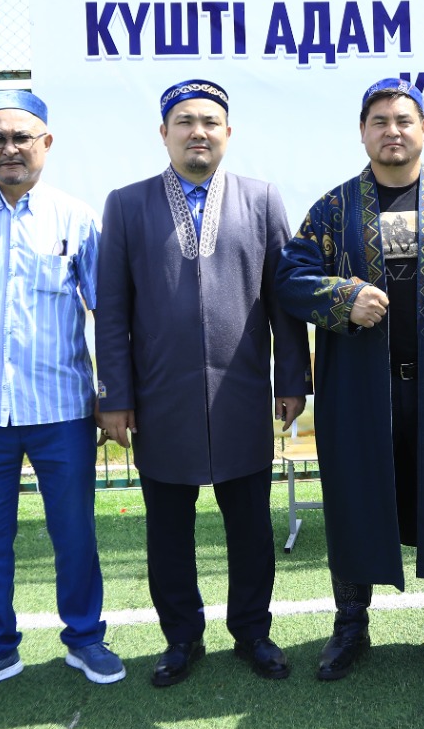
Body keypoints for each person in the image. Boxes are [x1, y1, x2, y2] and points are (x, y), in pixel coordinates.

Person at [277, 78, 424, 681]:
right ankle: (350, 624)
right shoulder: (332, 210)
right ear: (362, 132)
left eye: (404, 120)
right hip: (359, 391)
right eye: (379, 121)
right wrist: (344, 296)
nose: (392, 131)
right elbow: (288, 280)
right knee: (355, 496)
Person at [96, 79, 309, 686]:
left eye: (210, 122)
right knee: (168, 530)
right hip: (160, 398)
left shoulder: (261, 199)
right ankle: (181, 637)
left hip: (241, 393)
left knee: (251, 526)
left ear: (228, 133)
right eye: (185, 122)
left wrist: (291, 379)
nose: (198, 132)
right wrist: (115, 397)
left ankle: (252, 632)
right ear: (164, 133)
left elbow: (283, 299)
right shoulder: (127, 204)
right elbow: (112, 310)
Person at [0, 90, 119, 703]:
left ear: (46, 143)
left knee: (74, 533)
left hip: (62, 410)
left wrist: (109, 392)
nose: (9, 149)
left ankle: (85, 637)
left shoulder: (76, 218)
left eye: (21, 137)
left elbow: (105, 310)